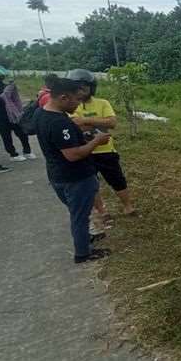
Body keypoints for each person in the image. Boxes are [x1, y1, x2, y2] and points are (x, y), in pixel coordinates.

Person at [34, 75, 111, 263]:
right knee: (80, 216)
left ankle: (84, 238)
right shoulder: (58, 122)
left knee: (78, 212)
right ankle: (83, 253)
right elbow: (73, 154)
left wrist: (82, 136)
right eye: (76, 99)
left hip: (58, 175)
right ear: (63, 98)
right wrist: (96, 141)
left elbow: (60, 145)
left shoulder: (42, 113)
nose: (78, 104)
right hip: (75, 178)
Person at [66, 69, 136, 220]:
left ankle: (128, 206)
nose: (81, 91)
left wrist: (85, 121)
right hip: (85, 152)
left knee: (117, 180)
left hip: (106, 150)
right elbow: (74, 126)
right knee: (92, 185)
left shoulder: (103, 103)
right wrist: (98, 122)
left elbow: (112, 123)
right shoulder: (71, 106)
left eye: (84, 87)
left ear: (91, 87)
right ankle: (102, 211)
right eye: (77, 87)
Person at [0, 79, 35, 161]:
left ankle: (27, 151)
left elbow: (15, 98)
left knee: (22, 133)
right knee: (6, 137)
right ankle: (13, 154)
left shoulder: (7, 87)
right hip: (1, 117)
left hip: (13, 115)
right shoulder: (7, 88)